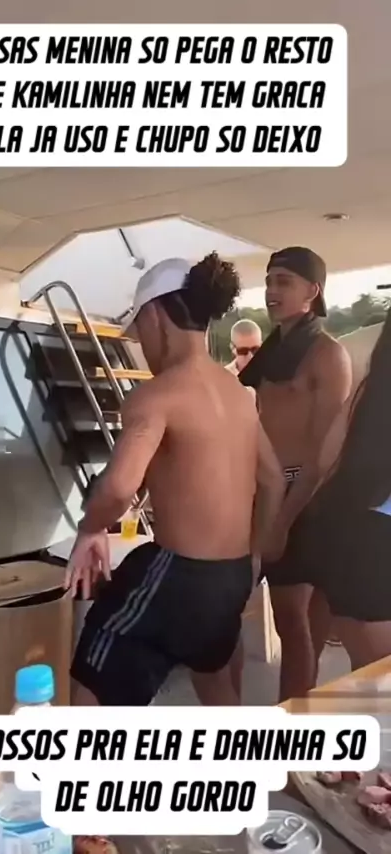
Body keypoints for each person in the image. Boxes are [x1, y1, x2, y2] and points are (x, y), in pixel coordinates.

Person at [65, 253, 284, 706]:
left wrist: (90, 528)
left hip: (179, 573)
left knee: (93, 678)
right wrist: (253, 559)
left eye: (139, 331)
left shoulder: (156, 396)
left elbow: (119, 488)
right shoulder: (238, 395)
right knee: (214, 677)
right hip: (232, 575)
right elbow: (273, 481)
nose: (142, 344)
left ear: (154, 316)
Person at [239, 246, 352, 702]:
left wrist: (281, 521)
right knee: (296, 625)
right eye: (269, 281)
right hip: (269, 490)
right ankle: (298, 714)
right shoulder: (272, 354)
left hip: (309, 499)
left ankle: (290, 724)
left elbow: (325, 454)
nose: (271, 291)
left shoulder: (328, 355)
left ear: (312, 291)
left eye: (283, 281)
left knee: (295, 624)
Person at [270, 306, 391, 672]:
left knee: (369, 680)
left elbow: (325, 461)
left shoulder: (370, 390)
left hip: (352, 544)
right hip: (376, 549)